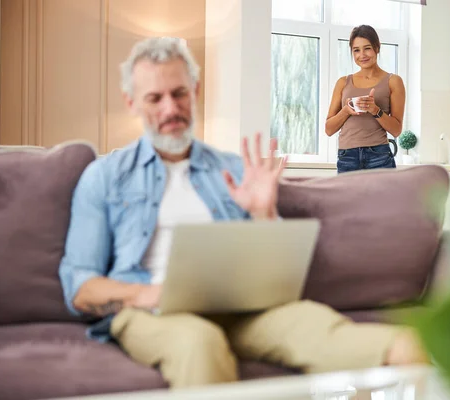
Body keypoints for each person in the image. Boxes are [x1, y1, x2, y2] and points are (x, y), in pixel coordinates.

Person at [59, 36, 428, 389]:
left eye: (179, 93)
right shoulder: (106, 176)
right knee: (198, 342)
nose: (170, 109)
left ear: (196, 92)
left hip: (242, 310)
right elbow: (81, 287)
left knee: (392, 342)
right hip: (151, 314)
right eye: (155, 98)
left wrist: (263, 213)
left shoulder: (234, 170)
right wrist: (151, 294)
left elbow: (277, 274)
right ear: (131, 102)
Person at [325, 25, 406, 173]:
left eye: (367, 48)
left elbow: (396, 130)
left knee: (382, 198)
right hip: (347, 157)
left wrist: (375, 110)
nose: (362, 54)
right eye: (356, 50)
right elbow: (329, 129)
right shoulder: (343, 83)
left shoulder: (393, 81)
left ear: (377, 47)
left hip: (379, 155)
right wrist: (346, 111)